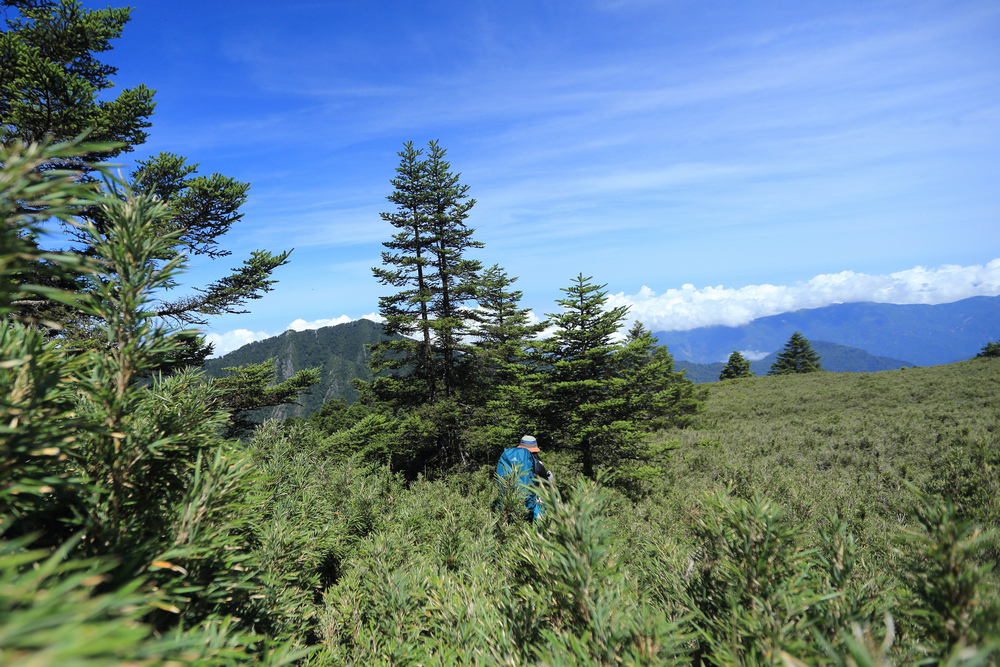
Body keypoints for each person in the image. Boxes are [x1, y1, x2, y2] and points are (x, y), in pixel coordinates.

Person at [496, 435, 553, 521]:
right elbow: (546, 484)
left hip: (506, 504)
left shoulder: (509, 459)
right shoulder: (537, 464)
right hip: (527, 506)